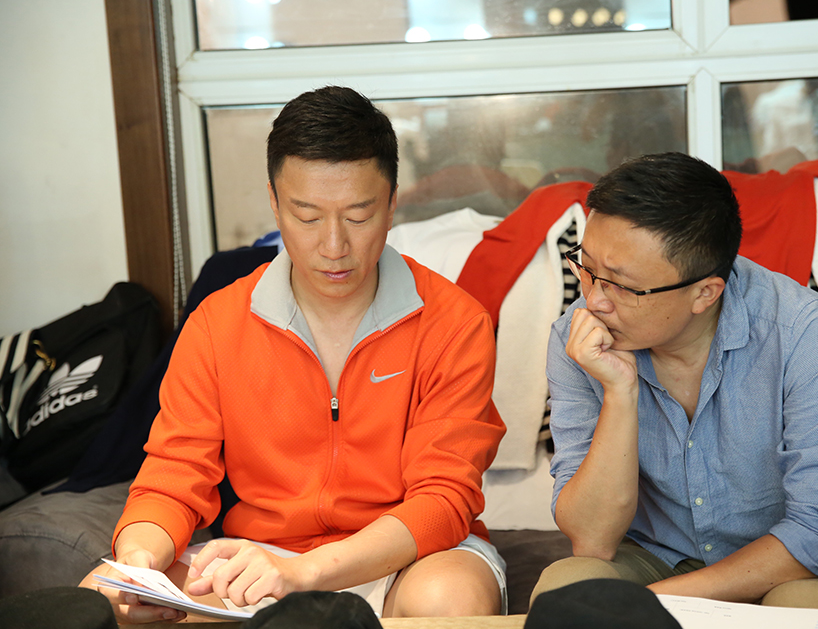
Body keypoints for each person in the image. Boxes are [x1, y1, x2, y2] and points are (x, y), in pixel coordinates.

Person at [81, 86, 508, 622]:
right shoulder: (217, 323)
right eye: (307, 216)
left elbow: (443, 500)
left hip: (410, 556)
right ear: (275, 202)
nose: (333, 246)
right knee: (103, 597)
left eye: (358, 215)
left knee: (445, 601)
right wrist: (139, 560)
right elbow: (174, 473)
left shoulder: (454, 322)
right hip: (265, 557)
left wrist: (308, 572)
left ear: (392, 202)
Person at [531, 152, 818, 609]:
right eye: (586, 268)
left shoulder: (796, 326)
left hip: (787, 565)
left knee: (803, 607)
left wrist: (651, 603)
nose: (595, 300)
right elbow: (592, 541)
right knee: (567, 590)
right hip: (657, 556)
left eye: (622, 285)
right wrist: (619, 393)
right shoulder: (577, 336)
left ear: (705, 293)